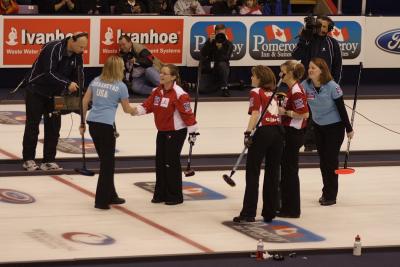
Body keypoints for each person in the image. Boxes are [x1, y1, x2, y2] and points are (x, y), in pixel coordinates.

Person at [132, 64, 199, 205]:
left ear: (173, 77)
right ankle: (160, 194)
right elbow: (148, 106)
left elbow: (187, 114)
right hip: (162, 131)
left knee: (171, 163)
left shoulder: (180, 94)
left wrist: (193, 131)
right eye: (161, 73)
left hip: (176, 132)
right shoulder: (157, 91)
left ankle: (174, 196)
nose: (161, 75)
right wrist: (134, 110)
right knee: (160, 162)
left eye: (165, 73)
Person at [22, 32, 88, 171]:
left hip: (55, 94)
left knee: (53, 126)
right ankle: (28, 159)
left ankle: (49, 160)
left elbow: (79, 73)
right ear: (72, 41)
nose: (83, 50)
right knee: (32, 126)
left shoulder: (77, 54)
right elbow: (48, 72)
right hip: (36, 90)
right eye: (81, 47)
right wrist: (67, 83)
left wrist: (81, 90)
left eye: (84, 48)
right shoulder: (53, 48)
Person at [79, 55, 135, 210]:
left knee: (105, 160)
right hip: (106, 126)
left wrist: (82, 122)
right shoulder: (120, 86)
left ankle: (112, 195)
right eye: (122, 66)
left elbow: (84, 101)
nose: (124, 68)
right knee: (107, 165)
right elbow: (126, 108)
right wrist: (138, 110)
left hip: (93, 123)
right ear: (118, 68)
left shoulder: (96, 80)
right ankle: (101, 200)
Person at [233, 65, 283, 223]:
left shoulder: (256, 92)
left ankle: (248, 212)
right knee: (273, 173)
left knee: (253, 172)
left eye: (253, 76)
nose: (251, 78)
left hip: (262, 133)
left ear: (260, 78)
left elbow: (255, 114)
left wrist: (247, 133)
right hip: (278, 132)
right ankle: (269, 211)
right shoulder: (275, 93)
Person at [302, 58, 354, 206]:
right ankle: (326, 191)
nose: (310, 70)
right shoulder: (305, 85)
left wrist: (348, 128)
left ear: (322, 71)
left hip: (335, 128)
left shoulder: (332, 86)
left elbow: (341, 109)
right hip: (318, 127)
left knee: (330, 161)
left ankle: (331, 195)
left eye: (313, 68)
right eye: (309, 67)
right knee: (323, 161)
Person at [292, 15, 342, 152]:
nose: (321, 28)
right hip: (306, 84)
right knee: (305, 112)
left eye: (325, 26)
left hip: (326, 85)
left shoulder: (333, 44)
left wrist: (334, 85)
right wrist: (303, 38)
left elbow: (337, 66)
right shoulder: (308, 40)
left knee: (320, 114)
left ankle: (313, 142)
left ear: (330, 29)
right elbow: (295, 56)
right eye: (319, 25)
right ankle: (299, 141)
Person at [276, 60, 309, 218]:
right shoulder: (293, 89)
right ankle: (286, 205)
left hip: (293, 134)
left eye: (282, 72)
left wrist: (285, 112)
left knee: (290, 171)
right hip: (291, 133)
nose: (280, 75)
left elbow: (304, 113)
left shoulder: (296, 91)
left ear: (289, 73)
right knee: (288, 171)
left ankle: (292, 208)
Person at [199, 24, 234, 97]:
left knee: (222, 64)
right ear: (215, 33)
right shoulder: (210, 41)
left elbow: (226, 58)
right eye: (219, 34)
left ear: (225, 33)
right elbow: (203, 54)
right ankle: (218, 85)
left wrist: (220, 48)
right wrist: (209, 42)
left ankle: (224, 88)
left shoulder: (228, 44)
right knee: (201, 90)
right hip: (210, 69)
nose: (220, 36)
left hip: (221, 69)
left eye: (222, 34)